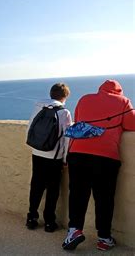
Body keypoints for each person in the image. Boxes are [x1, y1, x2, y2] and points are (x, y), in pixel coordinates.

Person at [62, 80, 135, 251]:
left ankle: (74, 231)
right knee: (104, 198)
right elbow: (131, 124)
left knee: (78, 194)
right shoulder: (123, 102)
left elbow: (79, 120)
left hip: (78, 154)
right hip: (105, 158)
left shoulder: (84, 99)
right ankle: (104, 238)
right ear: (119, 91)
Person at [26, 83, 72, 232]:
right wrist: (65, 159)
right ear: (65, 96)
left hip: (37, 153)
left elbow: (30, 128)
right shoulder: (64, 112)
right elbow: (67, 138)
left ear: (51, 94)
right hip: (54, 157)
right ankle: (49, 222)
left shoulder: (39, 107)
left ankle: (32, 218)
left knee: (36, 186)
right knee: (52, 189)